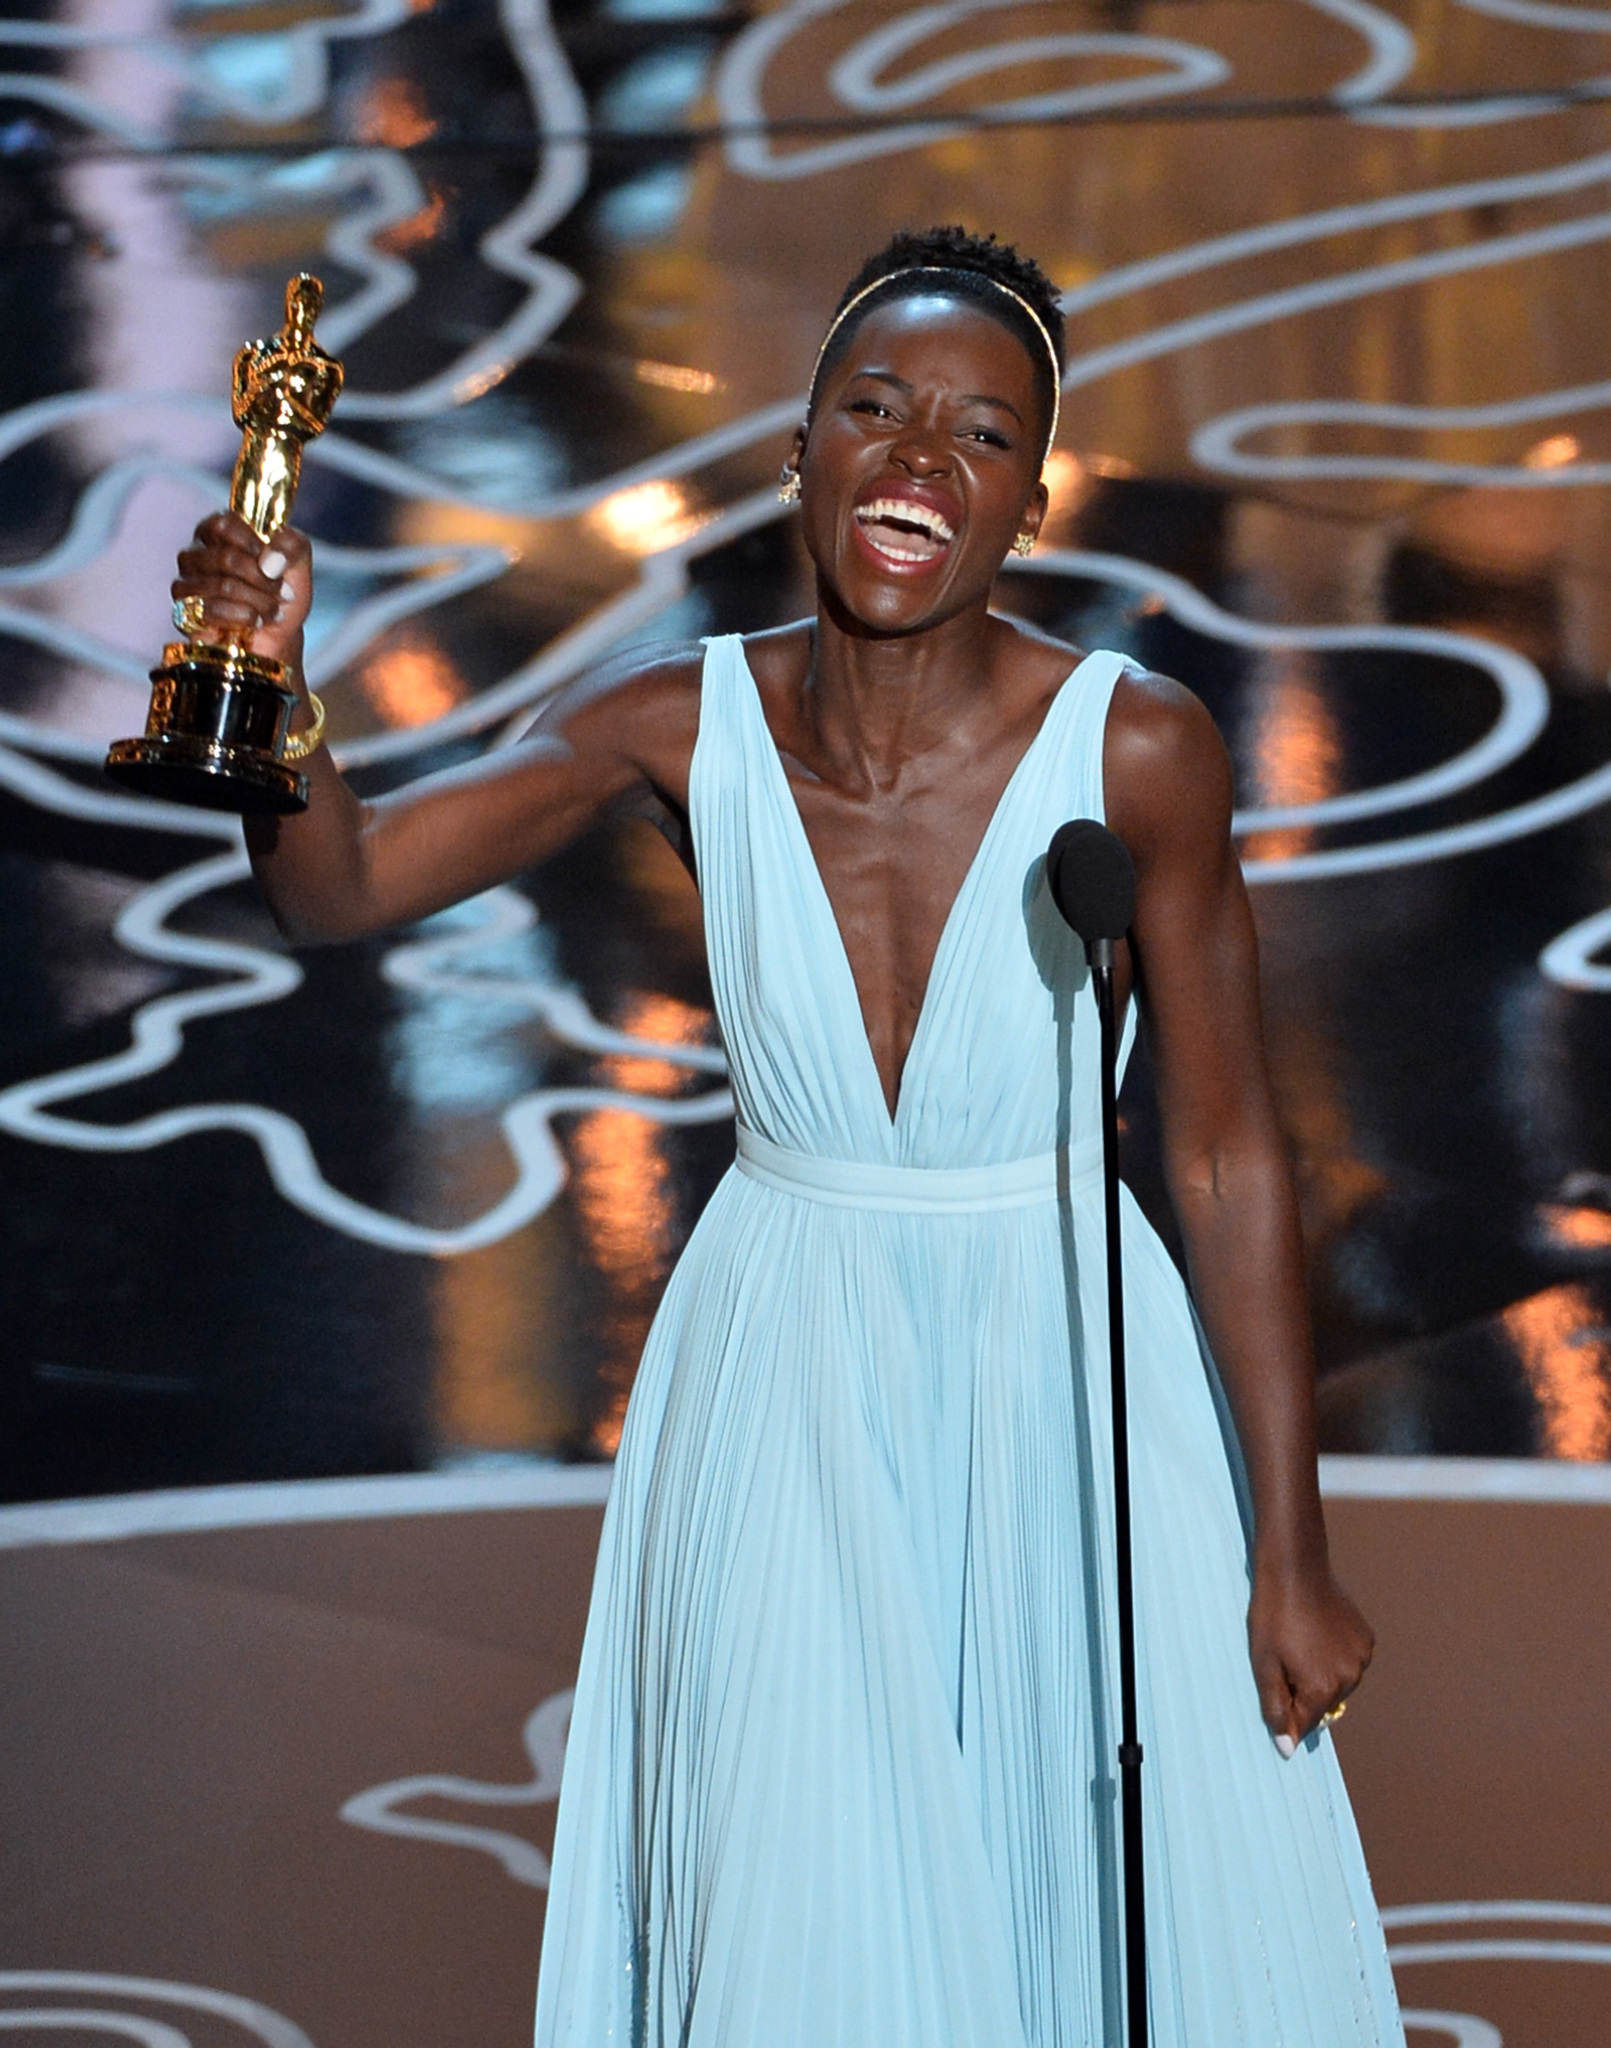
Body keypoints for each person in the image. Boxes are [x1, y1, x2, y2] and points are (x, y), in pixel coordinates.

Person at [173, 225, 1403, 2047]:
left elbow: (1226, 1151)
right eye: (877, 410)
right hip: (782, 1367)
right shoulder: (672, 721)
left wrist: (1286, 1544)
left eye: (982, 437)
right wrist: (265, 690)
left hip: (1062, 1359)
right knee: (801, 1911)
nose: (922, 461)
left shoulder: (1139, 752)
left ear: (1034, 506)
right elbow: (339, 891)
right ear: (798, 453)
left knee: (1081, 1899)